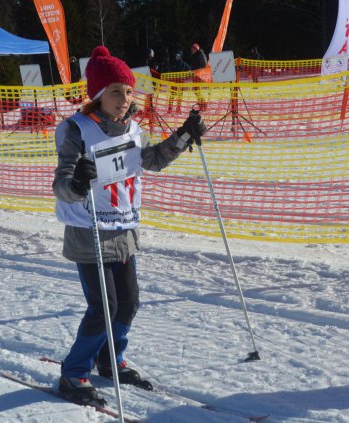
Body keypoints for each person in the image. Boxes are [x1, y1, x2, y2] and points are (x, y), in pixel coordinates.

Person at [52, 45, 206, 407]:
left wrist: (182, 137)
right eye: (116, 91)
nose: (125, 98)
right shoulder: (75, 129)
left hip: (124, 227)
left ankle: (110, 360)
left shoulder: (134, 129)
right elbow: (62, 183)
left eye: (129, 90)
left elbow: (151, 160)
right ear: (98, 95)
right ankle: (74, 372)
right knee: (103, 306)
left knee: (128, 303)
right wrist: (77, 183)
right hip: (88, 229)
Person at [189, 43, 208, 111]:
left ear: (196, 49)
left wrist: (199, 71)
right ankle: (201, 105)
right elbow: (193, 65)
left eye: (193, 49)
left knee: (197, 91)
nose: (192, 50)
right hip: (195, 75)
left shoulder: (201, 55)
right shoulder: (194, 56)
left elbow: (204, 65)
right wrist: (191, 70)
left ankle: (204, 104)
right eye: (191, 49)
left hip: (199, 75)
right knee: (196, 91)